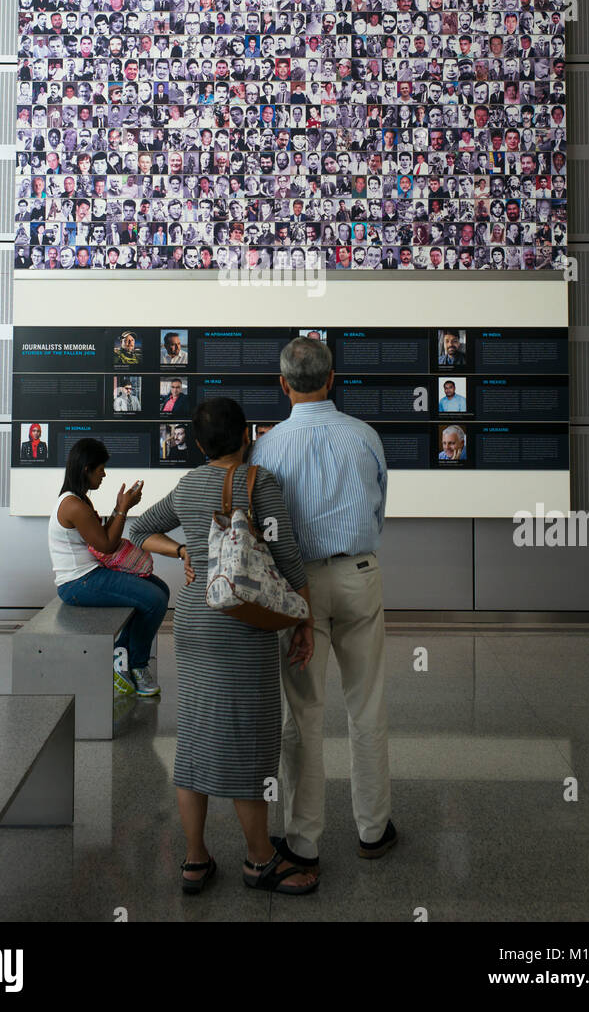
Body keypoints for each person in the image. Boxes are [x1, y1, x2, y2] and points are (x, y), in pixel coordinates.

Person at [127, 398, 319, 896]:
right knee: (249, 741)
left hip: (193, 620)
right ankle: (259, 861)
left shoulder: (189, 485)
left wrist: (186, 550)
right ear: (248, 438)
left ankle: (195, 859)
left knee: (192, 739)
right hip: (241, 624)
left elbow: (137, 529)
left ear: (197, 443)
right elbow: (288, 558)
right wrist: (304, 618)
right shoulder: (260, 484)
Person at [248, 337, 395, 871]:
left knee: (304, 713)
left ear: (284, 384)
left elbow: (263, 526)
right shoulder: (366, 437)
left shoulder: (267, 448)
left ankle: (304, 840)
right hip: (360, 574)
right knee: (367, 703)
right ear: (333, 379)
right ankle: (373, 829)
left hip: (295, 587)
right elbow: (378, 512)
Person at [49, 438, 188, 698]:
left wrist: (119, 508)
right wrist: (123, 509)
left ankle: (122, 654)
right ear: (86, 469)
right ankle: (134, 664)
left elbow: (100, 536)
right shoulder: (74, 506)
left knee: (159, 589)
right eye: (100, 468)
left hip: (90, 575)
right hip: (78, 583)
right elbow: (108, 545)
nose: (104, 474)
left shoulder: (79, 501)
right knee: (154, 599)